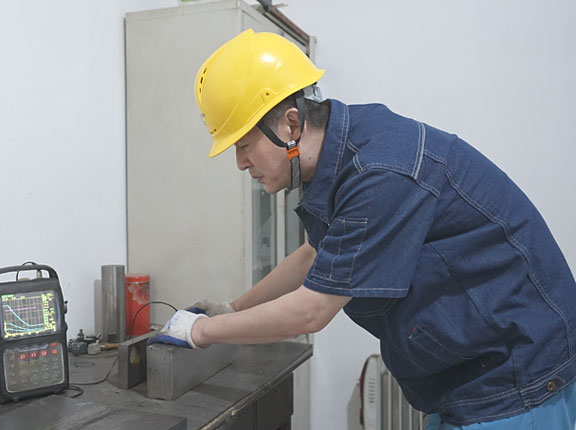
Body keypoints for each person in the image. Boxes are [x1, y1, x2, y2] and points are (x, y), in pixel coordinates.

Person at [148, 29, 576, 429]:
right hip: (470, 374)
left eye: (243, 145)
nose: (241, 163)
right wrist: (234, 308)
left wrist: (200, 332)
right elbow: (315, 254)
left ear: (291, 126)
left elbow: (312, 311)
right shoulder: (341, 151)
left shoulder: (380, 170)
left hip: (517, 380)